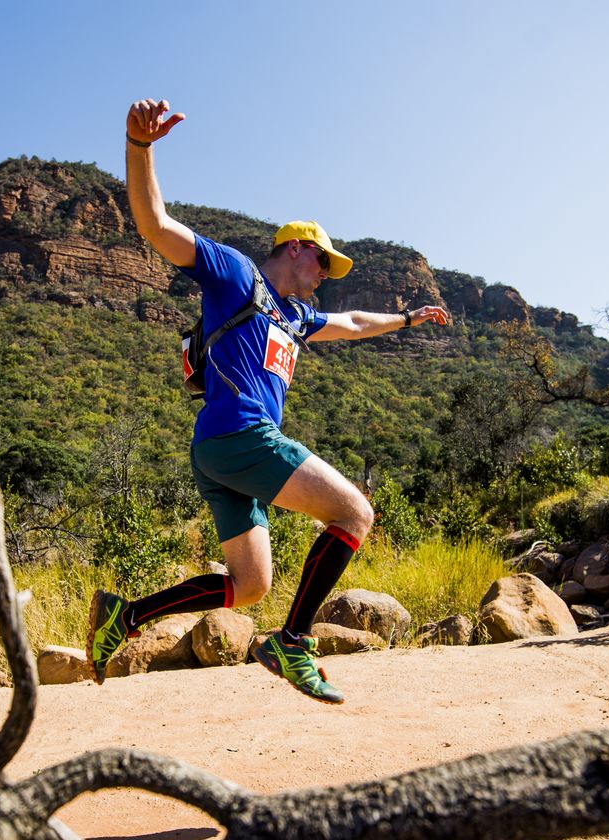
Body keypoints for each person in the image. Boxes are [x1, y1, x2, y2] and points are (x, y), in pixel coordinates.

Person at [88, 98, 450, 704]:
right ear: (294, 247)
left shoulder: (297, 316)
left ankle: (125, 617)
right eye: (322, 260)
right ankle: (295, 641)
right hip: (241, 436)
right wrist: (138, 146)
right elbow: (154, 225)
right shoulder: (235, 275)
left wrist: (409, 318)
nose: (326, 272)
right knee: (355, 514)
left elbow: (355, 322)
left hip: (218, 451)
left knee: (251, 584)